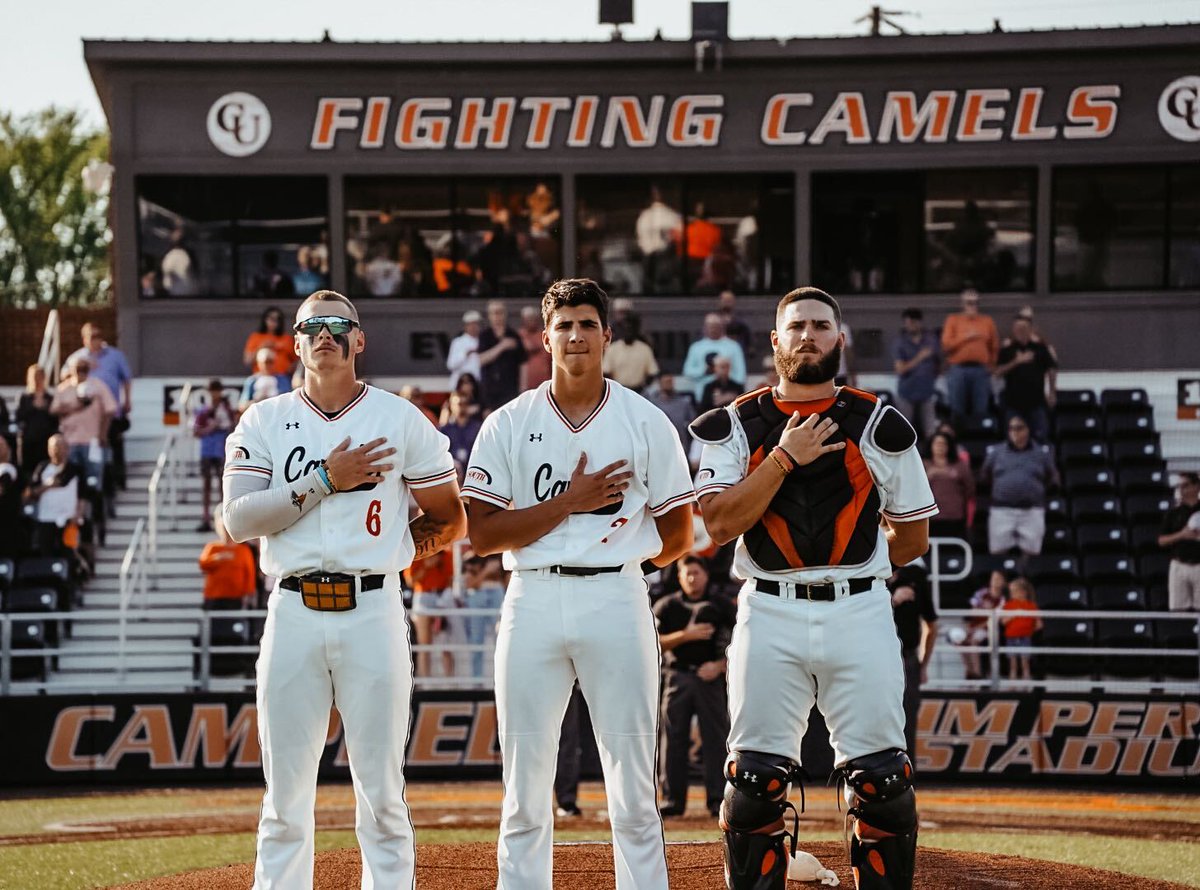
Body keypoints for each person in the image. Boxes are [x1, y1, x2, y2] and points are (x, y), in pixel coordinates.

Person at [222, 289, 466, 889]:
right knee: (284, 796)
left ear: (359, 339)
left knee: (381, 792)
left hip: (373, 607)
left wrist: (397, 553)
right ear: (296, 342)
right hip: (293, 608)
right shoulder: (263, 419)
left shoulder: (399, 417)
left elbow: (450, 517)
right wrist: (326, 480)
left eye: (338, 325)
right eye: (312, 327)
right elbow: (239, 520)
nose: (325, 335)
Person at [693, 286, 935, 890]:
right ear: (775, 340)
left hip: (860, 610)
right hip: (768, 610)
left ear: (839, 338)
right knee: (753, 783)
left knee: (884, 783)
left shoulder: (879, 423)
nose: (808, 335)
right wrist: (783, 457)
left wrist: (856, 564)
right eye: (796, 325)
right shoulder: (734, 425)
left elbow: (913, 538)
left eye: (820, 325)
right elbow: (719, 525)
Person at [462, 277, 695, 890]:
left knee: (633, 786)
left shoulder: (645, 420)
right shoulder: (508, 422)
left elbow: (678, 534)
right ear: (544, 339)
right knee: (524, 787)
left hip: (617, 596)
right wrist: (571, 501)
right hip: (532, 597)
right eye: (563, 326)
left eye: (587, 324)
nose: (575, 335)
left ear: (607, 335)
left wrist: (618, 562)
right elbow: (482, 535)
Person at [654, 554, 735, 819]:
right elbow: (652, 641)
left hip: (710, 679)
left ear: (706, 575)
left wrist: (719, 666)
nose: (692, 578)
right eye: (686, 573)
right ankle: (672, 800)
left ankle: (717, 798)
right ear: (678, 577)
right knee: (672, 739)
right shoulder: (667, 606)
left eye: (696, 573)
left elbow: (742, 640)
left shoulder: (721, 605)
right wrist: (685, 636)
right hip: (677, 675)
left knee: (715, 739)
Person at [64, 323, 133, 492]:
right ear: (84, 339)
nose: (96, 340)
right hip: (88, 418)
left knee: (114, 446)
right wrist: (81, 367)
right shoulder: (77, 357)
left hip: (110, 412)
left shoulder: (115, 356)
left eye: (98, 336)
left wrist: (127, 400)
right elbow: (64, 376)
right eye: (92, 336)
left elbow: (126, 378)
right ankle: (95, 489)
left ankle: (118, 481)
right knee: (93, 454)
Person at [980, 417, 1059, 558]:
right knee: (998, 552)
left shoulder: (1041, 453)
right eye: (1011, 429)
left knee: (1032, 553)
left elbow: (1052, 477)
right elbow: (985, 476)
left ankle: (1025, 572)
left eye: (1019, 428)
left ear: (1028, 430)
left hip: (1032, 510)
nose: (1015, 432)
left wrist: (1034, 491)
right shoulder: (996, 452)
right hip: (1002, 510)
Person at [888, 563, 938, 760]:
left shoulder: (915, 577)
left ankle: (904, 769)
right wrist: (892, 601)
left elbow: (932, 625)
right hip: (872, 660)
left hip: (906, 659)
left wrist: (923, 665)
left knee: (907, 720)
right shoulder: (864, 571)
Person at [50, 355, 116, 485]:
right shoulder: (64, 388)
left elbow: (110, 410)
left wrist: (103, 434)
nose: (80, 371)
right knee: (71, 479)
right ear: (71, 369)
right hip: (70, 441)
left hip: (92, 440)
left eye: (84, 368)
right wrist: (75, 406)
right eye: (78, 368)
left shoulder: (98, 385)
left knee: (93, 479)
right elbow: (53, 410)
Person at [940, 288, 999, 425]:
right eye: (969, 303)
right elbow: (946, 346)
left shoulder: (987, 321)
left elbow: (994, 345)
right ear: (962, 304)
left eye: (975, 303)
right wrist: (966, 337)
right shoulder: (953, 320)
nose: (973, 306)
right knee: (957, 408)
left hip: (981, 370)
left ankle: (978, 435)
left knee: (981, 408)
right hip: (958, 369)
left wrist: (992, 364)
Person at [994, 315, 1057, 442]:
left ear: (1030, 329)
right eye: (1017, 328)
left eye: (1023, 328)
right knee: (1014, 441)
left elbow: (1052, 369)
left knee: (1040, 439)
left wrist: (1052, 392)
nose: (1020, 331)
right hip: (1013, 405)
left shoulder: (1040, 348)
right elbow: (997, 372)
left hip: (1037, 403)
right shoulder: (1007, 350)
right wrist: (1016, 362)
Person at [24, 434, 84, 559]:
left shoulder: (74, 469)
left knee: (69, 553)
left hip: (67, 518)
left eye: (61, 446)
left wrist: (78, 514)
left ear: (67, 448)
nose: (57, 450)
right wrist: (48, 485)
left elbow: (83, 495)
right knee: (46, 553)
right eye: (54, 447)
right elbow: (31, 491)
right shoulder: (42, 467)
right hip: (46, 518)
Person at [193, 379, 236, 532]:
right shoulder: (204, 410)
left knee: (223, 485)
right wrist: (211, 427)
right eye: (212, 390)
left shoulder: (226, 409)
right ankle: (206, 517)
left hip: (222, 450)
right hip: (208, 450)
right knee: (207, 485)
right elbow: (196, 431)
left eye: (217, 390)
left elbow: (233, 428)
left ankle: (223, 518)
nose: (214, 394)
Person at [891, 308, 941, 441]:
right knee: (905, 430)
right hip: (907, 391)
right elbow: (900, 369)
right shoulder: (900, 342)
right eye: (907, 323)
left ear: (919, 322)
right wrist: (920, 357)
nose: (910, 326)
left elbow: (938, 362)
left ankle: (930, 452)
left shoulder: (931, 340)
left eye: (912, 322)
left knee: (931, 431)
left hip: (927, 391)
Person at [682, 312, 747, 402]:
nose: (713, 329)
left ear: (722, 327)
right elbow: (687, 372)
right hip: (703, 398)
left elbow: (740, 374)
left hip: (730, 398)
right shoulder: (696, 347)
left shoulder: (733, 346)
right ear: (705, 328)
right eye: (710, 326)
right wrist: (704, 371)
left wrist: (727, 383)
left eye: (716, 326)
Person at [1158, 472, 1200, 612]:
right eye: (1179, 486)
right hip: (1179, 564)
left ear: (1196, 486)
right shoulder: (1173, 513)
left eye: (1185, 486)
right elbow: (1162, 541)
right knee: (1178, 609)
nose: (1181, 490)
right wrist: (1182, 535)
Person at [198, 512, 258, 609]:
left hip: (235, 597)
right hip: (214, 596)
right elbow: (203, 564)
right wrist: (217, 558)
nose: (226, 532)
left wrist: (249, 593)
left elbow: (250, 573)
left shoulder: (243, 550)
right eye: (224, 528)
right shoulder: (213, 547)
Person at [923, 430, 975, 542]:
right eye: (937, 443)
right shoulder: (922, 465)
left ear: (949, 446)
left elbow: (970, 489)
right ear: (931, 445)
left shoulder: (960, 465)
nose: (940, 447)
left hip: (954, 516)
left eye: (943, 443)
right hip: (929, 516)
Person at [477, 300, 528, 412]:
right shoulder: (485, 335)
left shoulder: (513, 335)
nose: (497, 316)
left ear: (505, 314)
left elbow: (523, 362)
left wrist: (523, 388)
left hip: (510, 389)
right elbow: (481, 360)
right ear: (489, 316)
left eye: (500, 312)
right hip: (489, 390)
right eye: (494, 313)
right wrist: (502, 346)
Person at [960, 570, 1007, 680]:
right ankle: (970, 672)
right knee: (960, 640)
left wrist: (978, 626)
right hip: (974, 626)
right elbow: (973, 611)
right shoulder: (981, 593)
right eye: (994, 578)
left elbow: (994, 619)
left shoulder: (1003, 600)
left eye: (998, 579)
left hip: (989, 629)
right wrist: (970, 627)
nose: (995, 581)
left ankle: (977, 674)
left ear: (1003, 582)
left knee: (974, 640)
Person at [636, 186, 682, 295]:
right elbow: (679, 237)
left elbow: (640, 239)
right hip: (663, 258)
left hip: (651, 256)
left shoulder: (643, 217)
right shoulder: (673, 216)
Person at [16, 364, 57, 480]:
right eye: (34, 377)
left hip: (45, 441)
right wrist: (33, 407)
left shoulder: (49, 398)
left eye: (39, 377)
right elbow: (19, 417)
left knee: (44, 469)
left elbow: (55, 420)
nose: (37, 380)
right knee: (27, 471)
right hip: (28, 441)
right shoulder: (24, 397)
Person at [602, 313, 659, 393]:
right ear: (622, 330)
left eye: (631, 329)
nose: (628, 332)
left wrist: (643, 387)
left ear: (636, 330)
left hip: (638, 392)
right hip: (618, 391)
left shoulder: (645, 349)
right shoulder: (613, 349)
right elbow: (606, 372)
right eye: (626, 329)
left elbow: (652, 372)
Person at [1000, 577, 1041, 683]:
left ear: (1023, 592)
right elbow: (1003, 622)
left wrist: (1028, 629)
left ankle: (1026, 683)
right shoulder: (1008, 605)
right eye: (1011, 592)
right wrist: (1013, 615)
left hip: (1025, 638)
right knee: (1013, 663)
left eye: (1015, 591)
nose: (1012, 594)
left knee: (1025, 662)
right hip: (1011, 638)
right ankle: (1012, 684)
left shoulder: (1031, 606)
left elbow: (1039, 624)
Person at [646, 374, 696, 452]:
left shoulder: (683, 402)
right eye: (666, 382)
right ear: (659, 383)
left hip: (680, 444)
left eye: (671, 381)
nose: (669, 384)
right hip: (657, 443)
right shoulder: (651, 403)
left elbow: (693, 423)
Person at [243, 307, 298, 377]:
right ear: (265, 319)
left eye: (277, 319)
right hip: (261, 376)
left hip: (282, 376)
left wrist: (290, 369)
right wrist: (261, 347)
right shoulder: (256, 337)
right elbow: (248, 360)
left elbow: (297, 360)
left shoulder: (287, 339)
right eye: (271, 318)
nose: (274, 322)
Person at [439, 392, 482, 474]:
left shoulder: (477, 428)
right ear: (451, 405)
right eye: (459, 404)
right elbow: (441, 454)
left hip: (473, 471)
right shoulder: (444, 429)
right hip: (452, 472)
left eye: (465, 403)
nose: (461, 407)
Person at [447, 310, 484, 391]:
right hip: (459, 386)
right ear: (465, 326)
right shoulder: (458, 342)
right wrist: (466, 354)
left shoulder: (483, 341)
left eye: (476, 324)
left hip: (478, 387)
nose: (473, 327)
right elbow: (451, 365)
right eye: (471, 324)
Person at [518, 305, 553, 392]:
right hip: (525, 385)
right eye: (528, 318)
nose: (531, 321)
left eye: (533, 318)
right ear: (523, 320)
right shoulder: (519, 336)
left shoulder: (545, 335)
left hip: (545, 383)